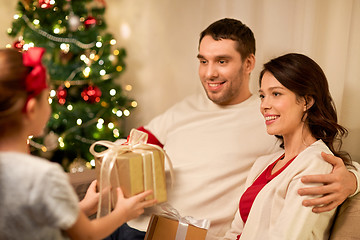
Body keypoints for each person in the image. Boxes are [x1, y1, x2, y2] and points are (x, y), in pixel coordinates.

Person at [119, 18, 360, 240]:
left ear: (248, 63)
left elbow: (326, 163)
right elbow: (133, 143)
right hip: (138, 224)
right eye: (203, 61)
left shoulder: (276, 126)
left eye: (222, 61)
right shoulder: (187, 109)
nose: (209, 72)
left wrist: (353, 179)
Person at [0, 47, 157, 239]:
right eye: (47, 98)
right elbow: (88, 235)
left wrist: (82, 207)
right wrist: (124, 212)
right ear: (31, 109)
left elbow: (36, 222)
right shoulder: (43, 177)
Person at [224, 53, 356, 239]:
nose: (264, 105)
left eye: (276, 94)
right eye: (262, 96)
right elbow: (235, 232)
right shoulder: (262, 164)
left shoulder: (317, 163)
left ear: (307, 101)